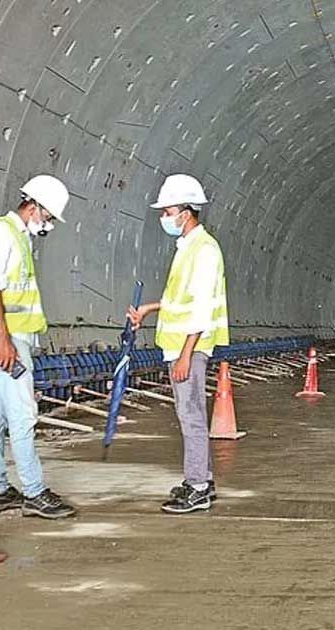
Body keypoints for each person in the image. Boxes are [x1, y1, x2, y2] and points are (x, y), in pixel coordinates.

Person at [0, 174, 76, 519]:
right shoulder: (0, 234)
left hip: (9, 338)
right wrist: (4, 340)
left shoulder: (19, 238)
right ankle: (34, 492)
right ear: (34, 207)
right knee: (24, 413)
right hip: (4, 341)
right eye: (50, 216)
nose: (51, 224)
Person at [127, 174, 230, 514]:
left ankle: (198, 487)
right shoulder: (188, 248)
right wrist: (150, 309)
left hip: (190, 348)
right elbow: (181, 300)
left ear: (186, 213)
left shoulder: (204, 250)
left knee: (192, 416)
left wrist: (186, 354)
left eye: (168, 211)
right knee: (188, 415)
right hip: (179, 345)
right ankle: (200, 479)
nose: (164, 218)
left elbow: (200, 308)